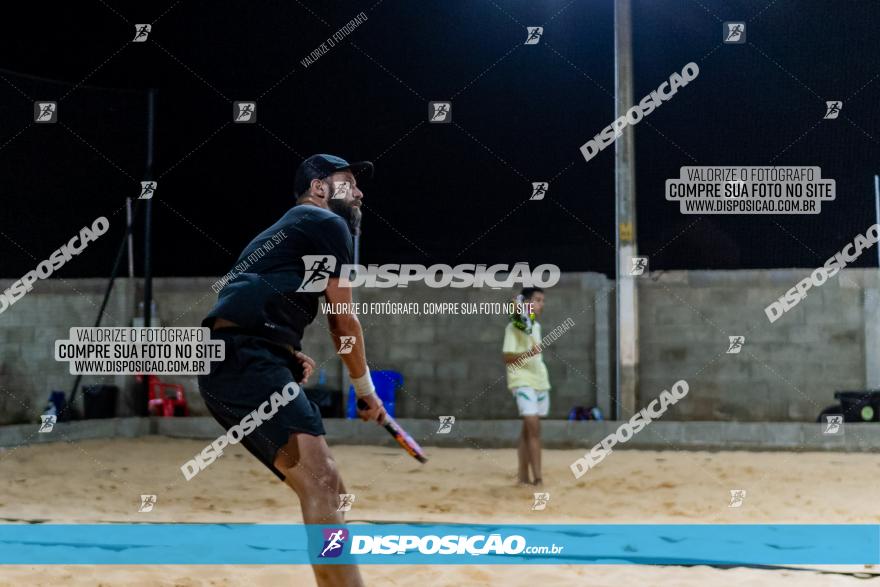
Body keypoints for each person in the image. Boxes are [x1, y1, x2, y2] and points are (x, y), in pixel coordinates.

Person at [198, 153, 386, 587]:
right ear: (319, 187)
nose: (359, 192)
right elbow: (343, 319)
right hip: (244, 359)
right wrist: (365, 390)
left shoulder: (293, 234)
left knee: (328, 487)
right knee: (322, 482)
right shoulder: (325, 223)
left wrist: (282, 350)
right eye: (348, 182)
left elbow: (248, 295)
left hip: (238, 359)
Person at [502, 287, 550, 486]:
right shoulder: (512, 328)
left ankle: (522, 478)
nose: (542, 304)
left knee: (527, 432)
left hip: (540, 381)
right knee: (534, 429)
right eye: (538, 300)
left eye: (542, 300)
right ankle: (538, 478)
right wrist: (528, 354)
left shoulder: (535, 327)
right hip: (521, 381)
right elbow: (508, 358)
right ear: (527, 303)